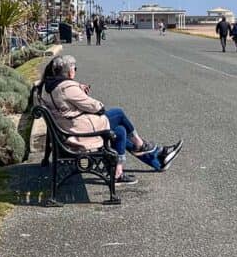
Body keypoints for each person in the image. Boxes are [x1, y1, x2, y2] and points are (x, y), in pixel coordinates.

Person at [40, 55, 181, 185]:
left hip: (68, 130)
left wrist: (78, 89)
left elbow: (67, 104)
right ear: (69, 72)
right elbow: (97, 107)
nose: (75, 71)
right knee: (118, 114)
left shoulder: (49, 87)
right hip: (79, 133)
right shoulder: (67, 88)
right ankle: (140, 144)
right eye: (74, 69)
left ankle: (155, 162)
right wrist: (79, 91)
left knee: (119, 131)